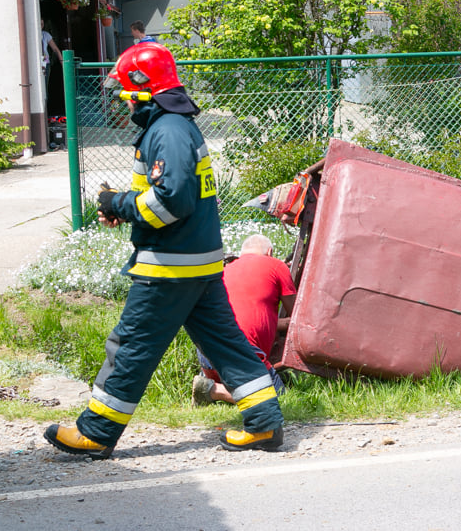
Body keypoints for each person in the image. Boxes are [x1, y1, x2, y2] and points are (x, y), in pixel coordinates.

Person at [43, 42, 285, 456]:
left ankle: (96, 433)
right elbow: (168, 198)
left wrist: (118, 203)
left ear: (143, 86)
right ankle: (265, 424)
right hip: (197, 262)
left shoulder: (167, 131)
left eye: (124, 89)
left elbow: (173, 201)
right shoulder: (175, 126)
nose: (121, 99)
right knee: (227, 345)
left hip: (169, 268)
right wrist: (127, 210)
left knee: (131, 346)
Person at [193, 234, 297, 405]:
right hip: (242, 352)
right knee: (276, 399)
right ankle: (213, 390)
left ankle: (217, 385)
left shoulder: (226, 270)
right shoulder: (277, 266)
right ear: (269, 252)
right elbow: (296, 311)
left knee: (243, 385)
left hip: (207, 355)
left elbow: (247, 315)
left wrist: (280, 324)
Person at [41, 19, 62, 90]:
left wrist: (62, 62)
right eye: (40, 24)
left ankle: (45, 98)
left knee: (45, 83)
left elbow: (55, 49)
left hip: (44, 59)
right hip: (36, 60)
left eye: (42, 24)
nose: (41, 26)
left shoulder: (45, 34)